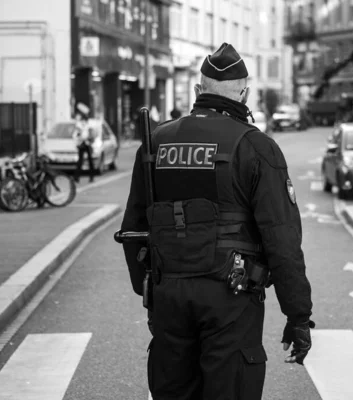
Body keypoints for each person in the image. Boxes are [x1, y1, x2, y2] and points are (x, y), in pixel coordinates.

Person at [121, 42, 314, 400]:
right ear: (244, 93)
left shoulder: (157, 141)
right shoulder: (255, 146)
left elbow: (133, 227)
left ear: (198, 90)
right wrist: (298, 315)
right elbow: (282, 238)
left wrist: (148, 289)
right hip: (231, 297)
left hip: (169, 293)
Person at [72, 103, 96, 183]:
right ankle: (77, 177)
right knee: (80, 161)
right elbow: (76, 133)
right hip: (81, 143)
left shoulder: (89, 123)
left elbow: (91, 133)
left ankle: (91, 177)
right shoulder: (79, 124)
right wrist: (78, 140)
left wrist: (90, 139)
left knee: (90, 161)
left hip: (87, 143)